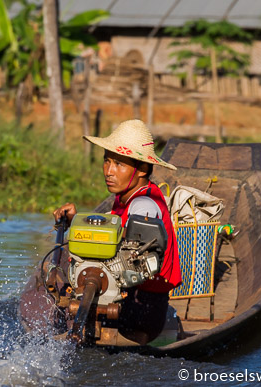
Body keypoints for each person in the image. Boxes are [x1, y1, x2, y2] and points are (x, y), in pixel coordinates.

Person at [53, 119, 182, 345]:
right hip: (131, 303)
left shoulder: (144, 206)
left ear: (141, 169)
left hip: (140, 313)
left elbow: (132, 258)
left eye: (119, 165)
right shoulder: (126, 198)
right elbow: (112, 233)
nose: (109, 171)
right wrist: (77, 221)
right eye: (106, 161)